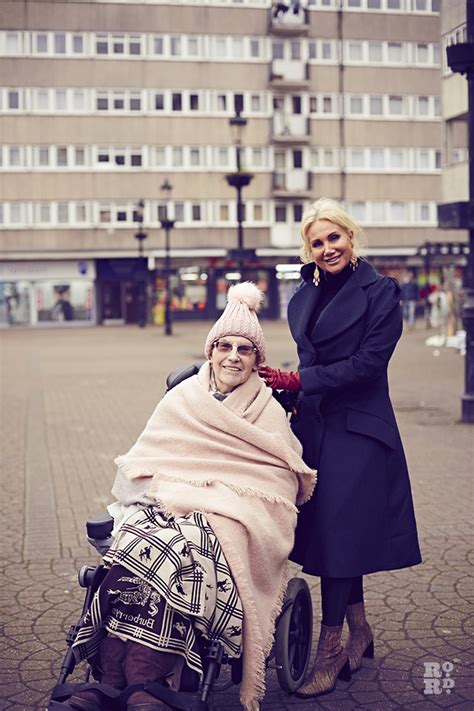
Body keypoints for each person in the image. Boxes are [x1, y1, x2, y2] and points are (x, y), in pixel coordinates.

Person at [69, 282, 315, 711]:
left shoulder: (269, 412)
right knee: (133, 546)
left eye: (245, 349)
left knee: (181, 554)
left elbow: (279, 483)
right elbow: (146, 460)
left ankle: (147, 680)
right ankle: (108, 678)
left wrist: (215, 500)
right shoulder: (183, 399)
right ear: (211, 351)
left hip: (231, 520)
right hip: (168, 506)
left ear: (258, 360)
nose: (233, 356)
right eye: (225, 346)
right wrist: (172, 496)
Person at [259, 198, 422, 699]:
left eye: (335, 238)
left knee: (336, 539)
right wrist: (280, 386)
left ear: (352, 240)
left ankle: (332, 650)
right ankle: (362, 631)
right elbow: (312, 358)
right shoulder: (303, 294)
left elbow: (368, 364)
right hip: (316, 429)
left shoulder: (380, 292)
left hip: (359, 430)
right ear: (307, 249)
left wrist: (299, 378)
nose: (327, 248)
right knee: (336, 536)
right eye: (317, 241)